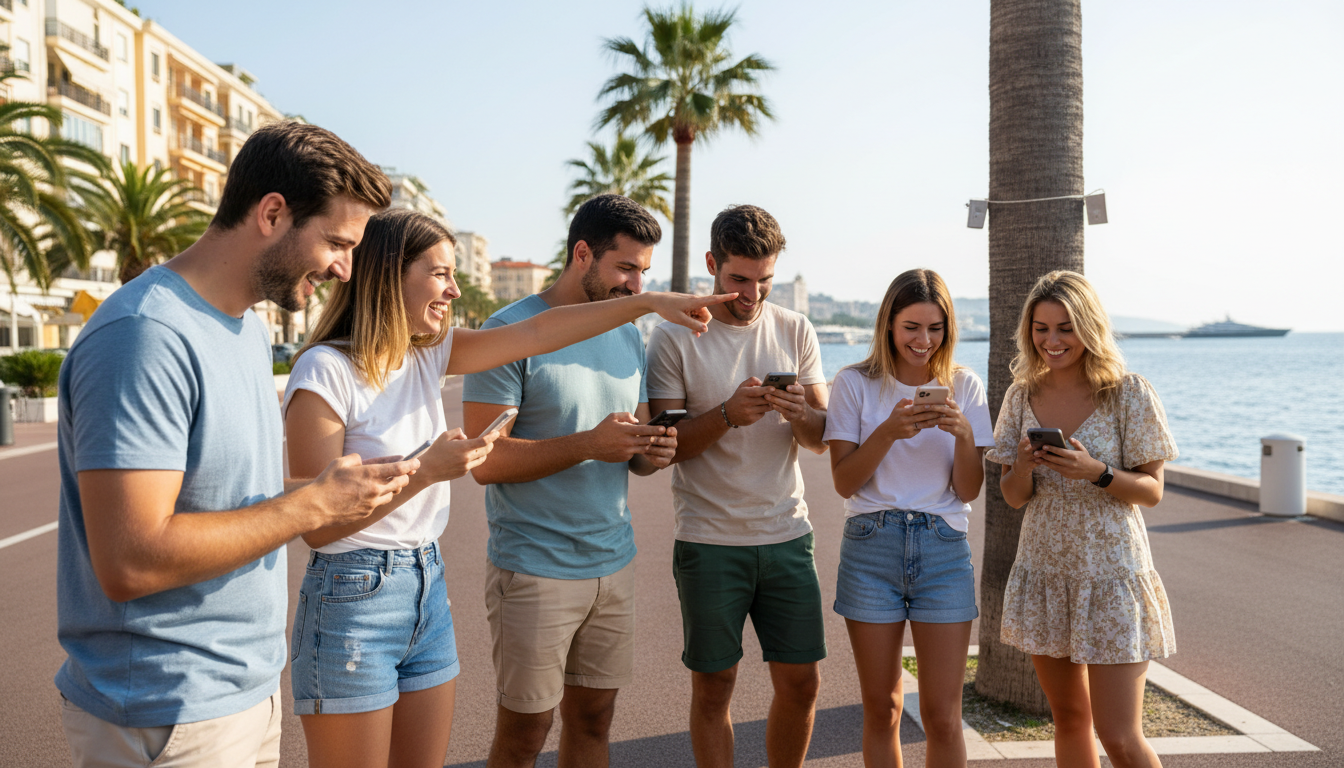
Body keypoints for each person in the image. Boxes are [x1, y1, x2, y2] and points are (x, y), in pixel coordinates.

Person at [284, 208, 734, 768]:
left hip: (425, 580)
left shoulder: (428, 353)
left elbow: (539, 331)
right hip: (354, 589)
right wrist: (426, 470)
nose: (454, 287)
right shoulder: (324, 371)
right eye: (440, 273)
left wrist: (645, 304)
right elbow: (317, 526)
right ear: (388, 274)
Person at [53, 122, 422, 767]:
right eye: (336, 242)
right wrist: (311, 507)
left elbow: (225, 503)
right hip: (168, 711)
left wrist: (325, 495)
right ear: (272, 213)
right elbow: (131, 560)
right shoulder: (145, 336)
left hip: (245, 692)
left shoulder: (248, 330)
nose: (345, 270)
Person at [462, 194, 734, 768]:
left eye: (644, 272)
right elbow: (483, 461)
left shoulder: (627, 334)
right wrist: (588, 443)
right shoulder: (507, 330)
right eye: (626, 268)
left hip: (613, 562)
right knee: (524, 736)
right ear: (582, 254)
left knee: (594, 722)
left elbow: (629, 453)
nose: (636, 286)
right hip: (534, 566)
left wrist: (651, 450)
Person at [646, 204, 829, 768]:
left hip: (786, 535)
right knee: (715, 686)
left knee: (801, 684)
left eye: (765, 280)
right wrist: (726, 414)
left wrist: (800, 413)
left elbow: (822, 438)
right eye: (740, 280)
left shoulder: (795, 328)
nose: (753, 294)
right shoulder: (674, 336)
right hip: (708, 540)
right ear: (712, 265)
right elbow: (666, 444)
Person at [987, 270, 1178, 768]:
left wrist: (1098, 472)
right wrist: (1025, 466)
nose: (1052, 341)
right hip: (1046, 573)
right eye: (1041, 328)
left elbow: (1152, 491)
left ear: (1089, 327)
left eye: (1065, 328)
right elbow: (1012, 496)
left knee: (1119, 736)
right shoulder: (1020, 395)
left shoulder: (1128, 393)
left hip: (1111, 577)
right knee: (1069, 720)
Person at [823, 269, 994, 768]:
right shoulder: (854, 383)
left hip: (943, 550)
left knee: (943, 716)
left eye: (935, 328)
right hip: (871, 546)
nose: (923, 340)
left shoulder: (964, 384)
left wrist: (964, 436)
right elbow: (843, 482)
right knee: (883, 709)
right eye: (912, 327)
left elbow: (969, 489)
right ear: (889, 324)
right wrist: (888, 432)